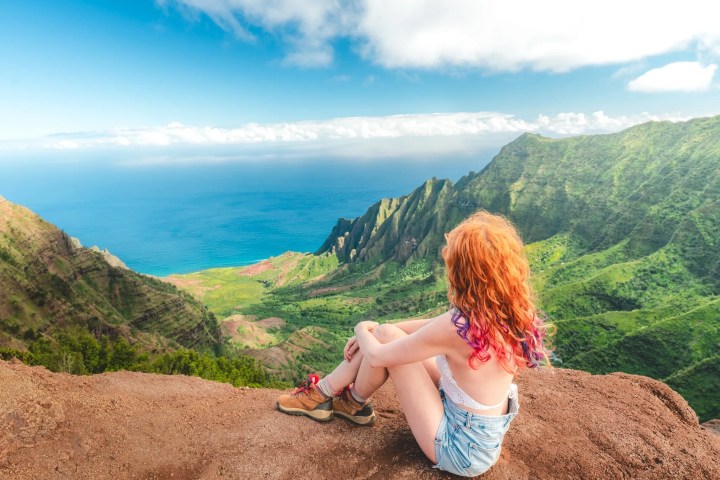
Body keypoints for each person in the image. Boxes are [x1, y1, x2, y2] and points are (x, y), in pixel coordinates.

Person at [276, 211, 553, 477]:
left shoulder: (459, 328)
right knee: (385, 332)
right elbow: (425, 328)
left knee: (383, 341)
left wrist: (361, 328)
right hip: (482, 438)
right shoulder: (511, 312)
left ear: (463, 273)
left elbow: (379, 356)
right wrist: (379, 328)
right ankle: (346, 401)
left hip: (459, 451)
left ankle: (332, 396)